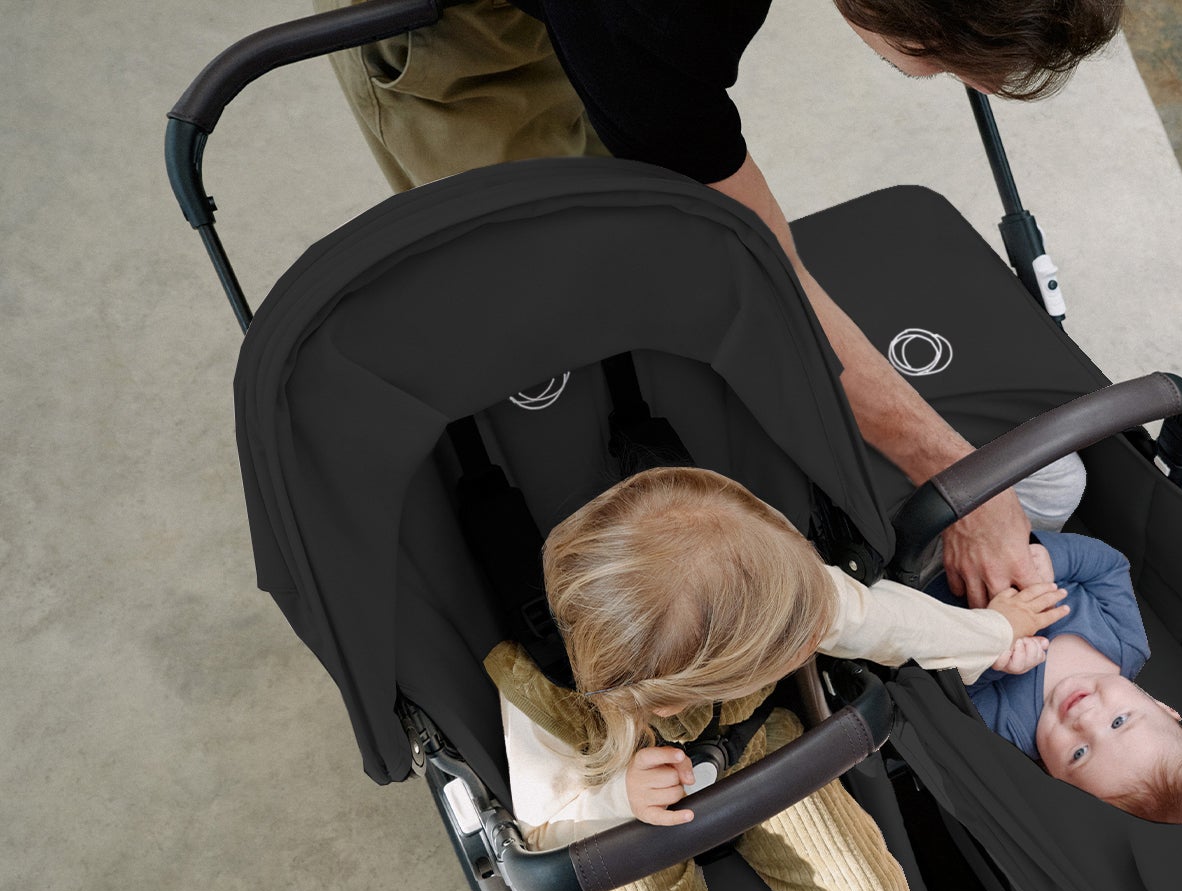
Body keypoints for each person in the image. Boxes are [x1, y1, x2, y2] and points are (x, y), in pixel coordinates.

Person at [315, 0, 1122, 607]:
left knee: (642, 194)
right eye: (943, 64)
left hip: (620, 33)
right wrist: (954, 479)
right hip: (466, 32)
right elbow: (759, 275)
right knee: (547, 264)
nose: (956, 82)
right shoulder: (661, 14)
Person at [493, 466, 1070, 891]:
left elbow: (883, 622)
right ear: (669, 701)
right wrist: (617, 797)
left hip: (753, 747)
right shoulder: (540, 698)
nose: (811, 640)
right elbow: (544, 829)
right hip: (618, 824)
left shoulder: (774, 583)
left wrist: (995, 631)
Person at [928, 530, 1182, 824]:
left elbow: (950, 684)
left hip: (934, 579)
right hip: (1017, 541)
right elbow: (1110, 567)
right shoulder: (1127, 640)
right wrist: (1054, 559)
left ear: (1055, 776)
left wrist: (994, 661)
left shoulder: (1013, 732)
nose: (1085, 720)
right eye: (1118, 722)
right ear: (1162, 707)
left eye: (1079, 753)